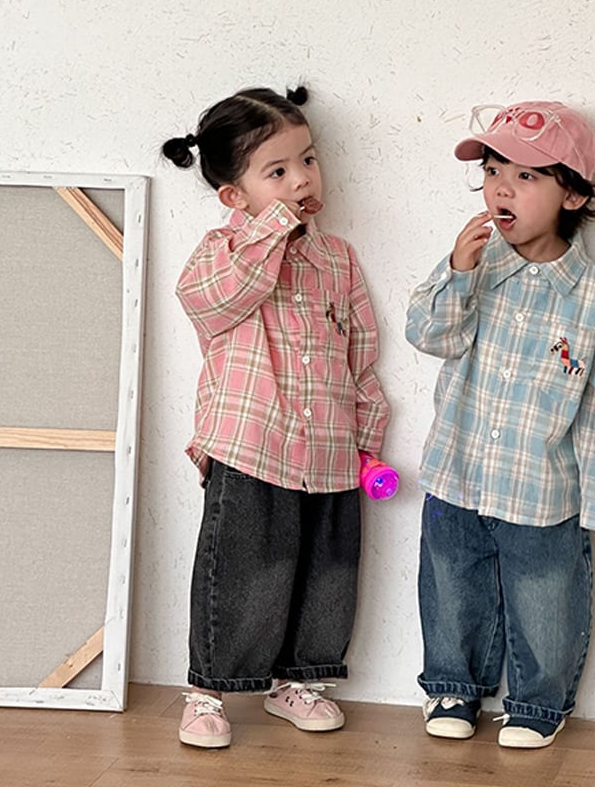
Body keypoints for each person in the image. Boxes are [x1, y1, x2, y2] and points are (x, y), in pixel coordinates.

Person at [161, 85, 390, 749]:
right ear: (235, 196)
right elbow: (212, 303)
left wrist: (367, 441)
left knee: (327, 570)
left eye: (308, 160)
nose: (302, 180)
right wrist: (272, 230)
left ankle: (298, 682)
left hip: (330, 449)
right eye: (279, 171)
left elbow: (361, 353)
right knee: (241, 569)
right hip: (250, 441)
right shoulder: (222, 253)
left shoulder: (337, 259)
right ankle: (208, 691)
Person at [405, 100, 595, 749]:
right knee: (451, 588)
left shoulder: (593, 299)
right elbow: (430, 335)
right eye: (493, 171)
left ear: (573, 195)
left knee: (547, 599)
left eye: (526, 176)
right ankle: (453, 685)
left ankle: (537, 702)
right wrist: (458, 273)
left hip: (542, 491)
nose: (502, 187)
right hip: (457, 474)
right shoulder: (474, 267)